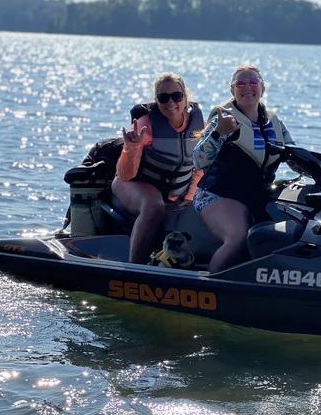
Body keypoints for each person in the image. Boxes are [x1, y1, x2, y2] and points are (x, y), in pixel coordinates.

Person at [193, 65, 293, 273]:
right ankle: (210, 288)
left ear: (262, 89)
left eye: (253, 82)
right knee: (238, 236)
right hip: (217, 194)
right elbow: (198, 160)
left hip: (257, 194)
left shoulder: (275, 122)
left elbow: (293, 155)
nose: (247, 87)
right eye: (240, 83)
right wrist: (218, 134)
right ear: (232, 91)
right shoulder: (223, 119)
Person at [112, 72, 204, 263]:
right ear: (156, 100)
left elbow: (200, 165)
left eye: (176, 96)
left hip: (173, 192)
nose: (171, 103)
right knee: (153, 205)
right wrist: (131, 147)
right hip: (132, 184)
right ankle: (135, 268)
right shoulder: (145, 125)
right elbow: (125, 174)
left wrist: (189, 197)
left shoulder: (198, 125)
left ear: (185, 97)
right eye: (163, 98)